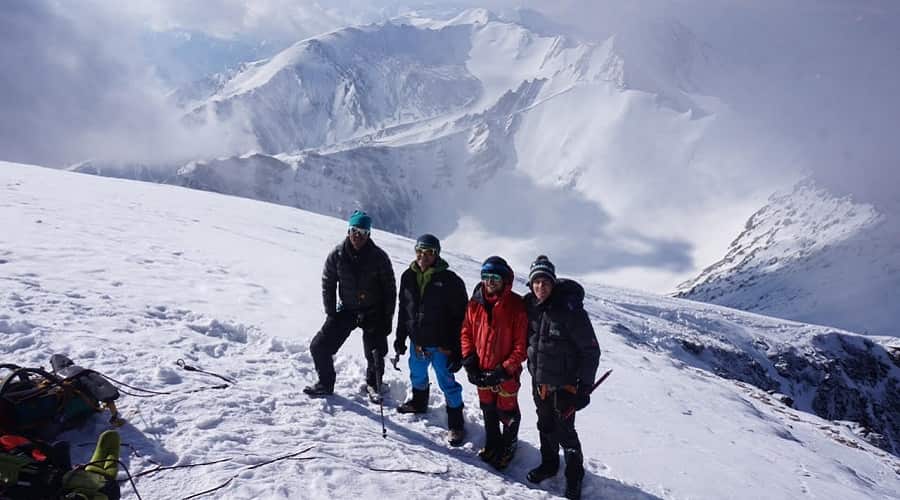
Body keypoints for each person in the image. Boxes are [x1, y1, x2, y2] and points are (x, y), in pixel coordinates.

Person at [523, 255, 600, 500]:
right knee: (545, 426)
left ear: (553, 283)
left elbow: (590, 350)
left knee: (566, 432)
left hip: (565, 386)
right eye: (536, 282)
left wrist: (584, 389)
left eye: (545, 282)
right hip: (540, 382)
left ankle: (575, 476)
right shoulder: (530, 307)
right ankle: (549, 465)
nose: (540, 287)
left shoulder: (571, 312)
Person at [304, 210, 397, 400]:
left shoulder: (379, 258)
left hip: (373, 311)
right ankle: (325, 383)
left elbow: (390, 291)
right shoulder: (337, 255)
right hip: (347, 309)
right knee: (319, 347)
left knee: (376, 355)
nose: (357, 235)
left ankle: (374, 385)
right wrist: (331, 312)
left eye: (362, 232)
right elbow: (328, 283)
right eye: (354, 230)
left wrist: (387, 319)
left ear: (368, 234)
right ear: (348, 231)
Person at [393, 234, 469, 446]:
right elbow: (404, 311)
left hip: (441, 346)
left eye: (429, 252)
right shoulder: (408, 276)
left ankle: (456, 424)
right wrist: (400, 338)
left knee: (448, 384)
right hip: (417, 342)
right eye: (419, 250)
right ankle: (419, 403)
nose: (423, 256)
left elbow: (462, 320)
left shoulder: (451, 281)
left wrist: (456, 350)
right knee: (417, 375)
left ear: (437, 254)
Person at [460, 256, 527, 470]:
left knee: (507, 411)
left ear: (505, 280)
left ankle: (508, 447)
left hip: (506, 374)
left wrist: (504, 369)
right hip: (482, 370)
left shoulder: (516, 306)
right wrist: (469, 360)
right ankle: (492, 443)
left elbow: (521, 345)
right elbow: (466, 333)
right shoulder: (475, 303)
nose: (490, 282)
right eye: (486, 277)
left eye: (495, 277)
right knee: (488, 409)